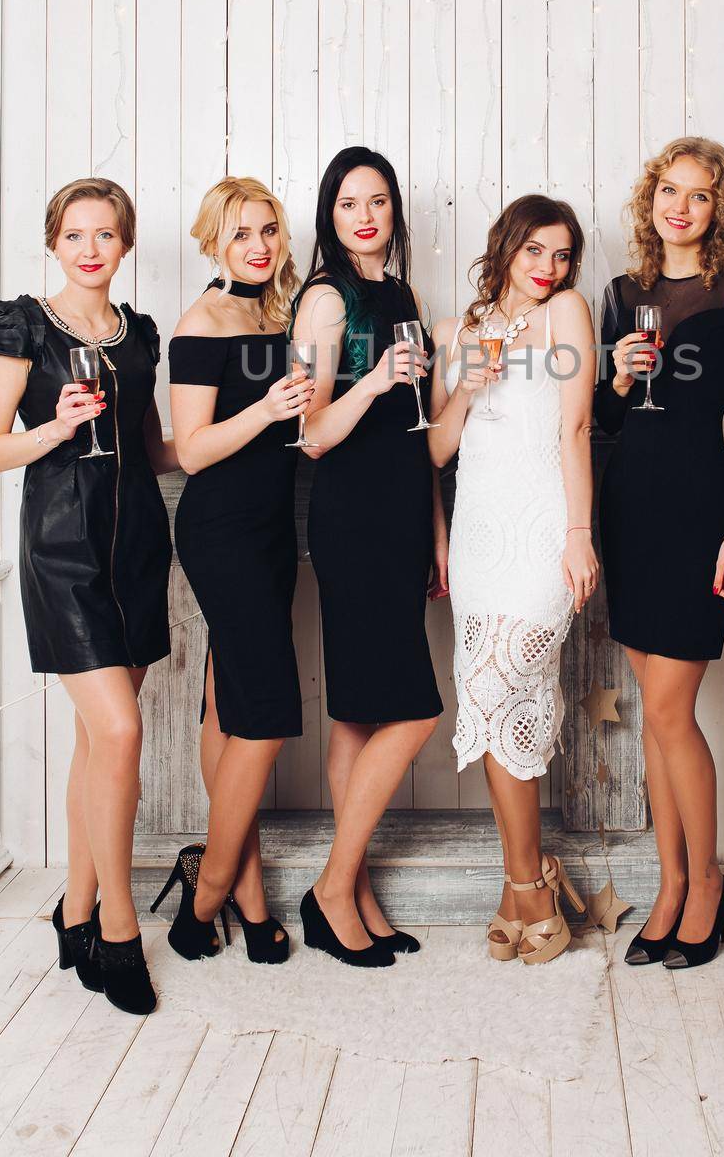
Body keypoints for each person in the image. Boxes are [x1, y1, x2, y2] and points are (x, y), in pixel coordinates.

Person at [0, 178, 175, 1015]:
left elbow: (156, 447)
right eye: (74, 234)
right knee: (121, 729)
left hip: (136, 550)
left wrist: (252, 430)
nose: (90, 248)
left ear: (125, 245)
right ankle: (118, 927)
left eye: (106, 234)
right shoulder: (22, 325)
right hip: (62, 552)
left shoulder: (139, 336)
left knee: (99, 743)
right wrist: (52, 428)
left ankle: (76, 907)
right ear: (53, 243)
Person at [595, 136, 724, 970]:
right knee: (655, 718)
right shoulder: (619, 292)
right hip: (628, 508)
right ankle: (669, 886)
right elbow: (602, 418)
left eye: (699, 195)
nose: (680, 206)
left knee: (670, 713)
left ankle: (705, 886)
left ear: (718, 208)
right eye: (670, 190)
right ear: (651, 198)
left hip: (701, 508)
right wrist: (620, 379)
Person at [429, 195, 596, 965]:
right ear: (504, 248)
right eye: (535, 251)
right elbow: (436, 450)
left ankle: (527, 882)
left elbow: (574, 428)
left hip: (543, 528)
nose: (548, 267)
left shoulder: (567, 313)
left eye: (561, 254)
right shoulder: (453, 332)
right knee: (495, 700)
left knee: (505, 683)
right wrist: (466, 380)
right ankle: (525, 886)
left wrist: (576, 535)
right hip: (478, 534)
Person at [150, 178, 313, 965]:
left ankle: (249, 900)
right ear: (213, 241)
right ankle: (206, 895)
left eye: (269, 230)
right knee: (269, 714)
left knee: (228, 711)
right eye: (241, 233)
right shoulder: (203, 322)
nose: (258, 245)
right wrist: (269, 409)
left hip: (271, 529)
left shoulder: (270, 312)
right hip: (221, 532)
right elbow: (191, 448)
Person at [291, 146, 445, 967]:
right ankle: (330, 887)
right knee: (415, 710)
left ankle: (350, 892)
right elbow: (310, 434)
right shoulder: (325, 297)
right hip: (350, 519)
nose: (365, 216)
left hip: (399, 515)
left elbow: (417, 432)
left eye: (377, 201)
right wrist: (377, 378)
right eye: (349, 204)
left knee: (357, 709)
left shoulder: (402, 292)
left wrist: (437, 536)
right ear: (331, 214)